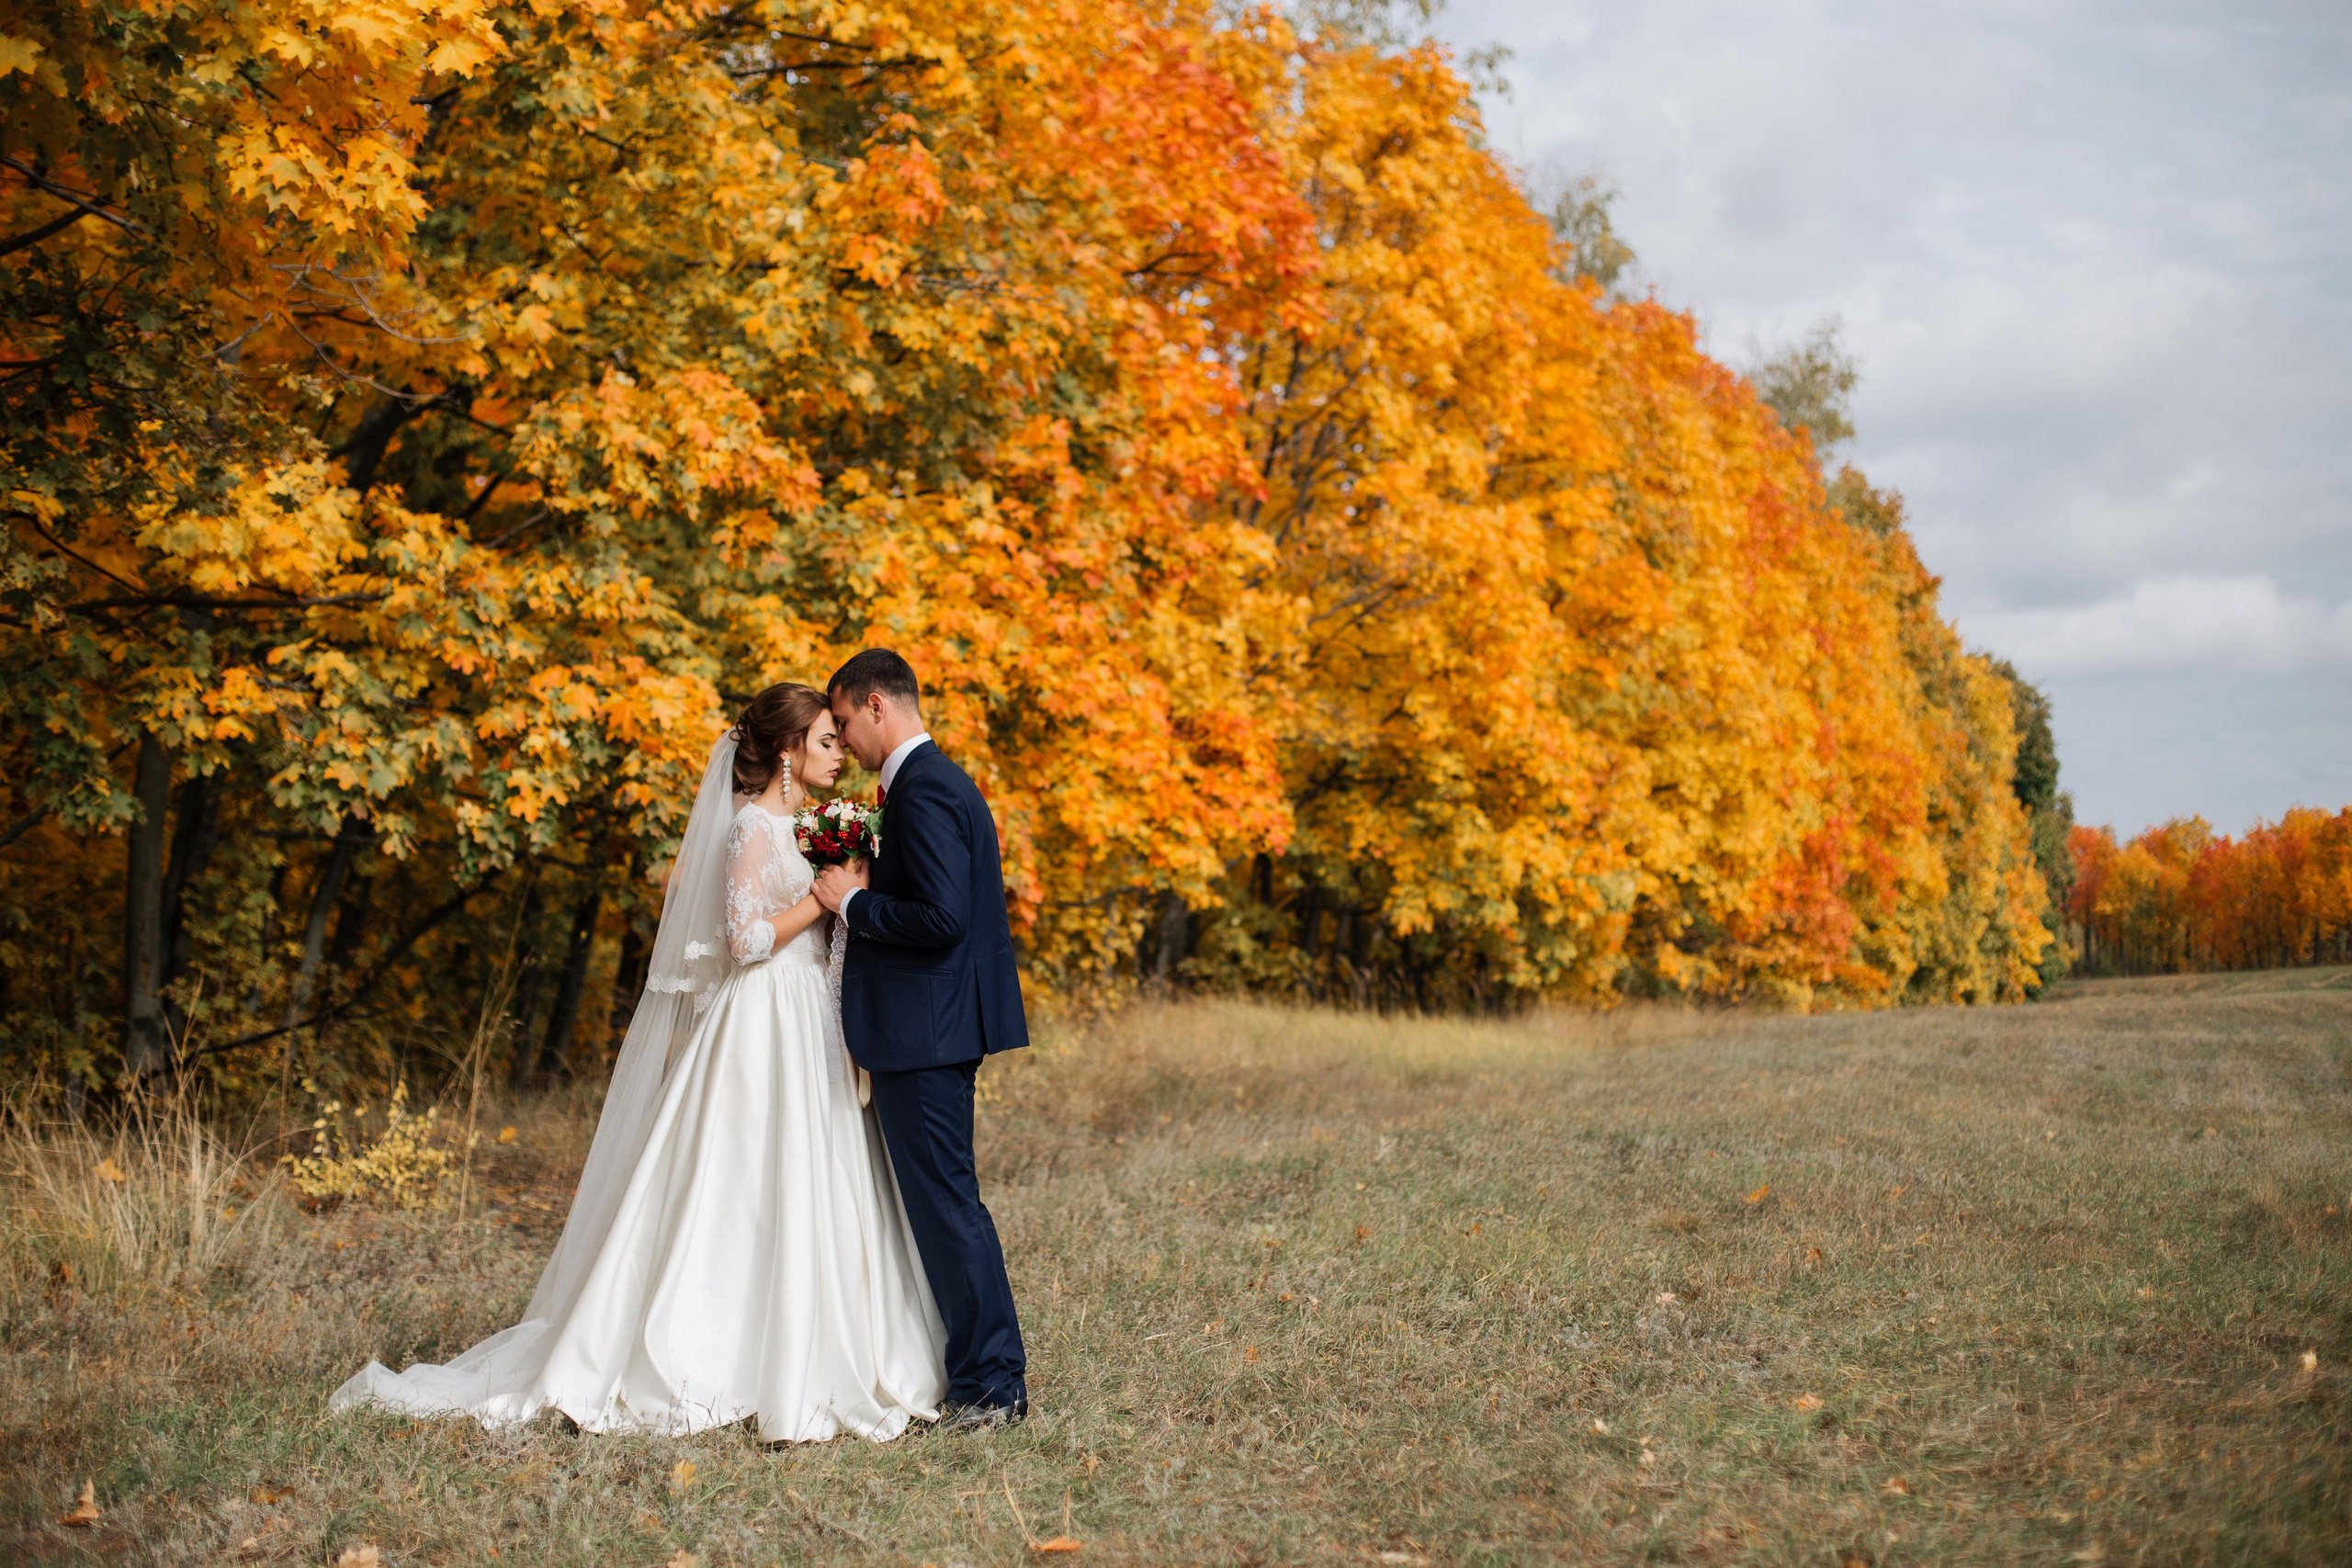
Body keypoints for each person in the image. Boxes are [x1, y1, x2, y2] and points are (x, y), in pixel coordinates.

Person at [331, 684, 946, 1442]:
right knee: (740, 1181)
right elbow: (743, 942)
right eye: (825, 740)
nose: (837, 753)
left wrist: (848, 901)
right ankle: (711, 1352)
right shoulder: (750, 830)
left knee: (820, 1174)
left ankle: (823, 1347)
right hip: (757, 1021)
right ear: (787, 751)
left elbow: (830, 943)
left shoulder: (820, 830)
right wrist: (824, 901)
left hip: (810, 1020)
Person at [813, 648, 1031, 1429]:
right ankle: (982, 1373)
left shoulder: (926, 791)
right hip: (928, 1029)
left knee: (948, 1205)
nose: (843, 739)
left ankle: (995, 1384)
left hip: (927, 1034)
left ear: (877, 705)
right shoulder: (927, 784)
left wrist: (853, 904)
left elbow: (943, 920)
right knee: (946, 1203)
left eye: (842, 721)